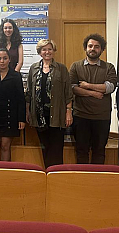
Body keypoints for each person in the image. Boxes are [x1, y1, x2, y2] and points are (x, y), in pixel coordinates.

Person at [69, 33, 118, 164]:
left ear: (102, 49)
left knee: (99, 151)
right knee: (81, 151)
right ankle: (84, 176)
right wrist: (94, 93)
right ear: (85, 48)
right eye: (90, 46)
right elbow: (72, 88)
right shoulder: (76, 66)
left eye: (97, 46)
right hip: (81, 116)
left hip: (102, 117)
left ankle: (97, 176)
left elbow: (110, 87)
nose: (93, 49)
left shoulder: (109, 67)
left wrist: (87, 86)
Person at [25, 39, 73, 167]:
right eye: (44, 49)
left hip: (57, 114)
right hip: (39, 115)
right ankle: (47, 172)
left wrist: (68, 112)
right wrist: (27, 111)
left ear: (53, 51)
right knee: (45, 147)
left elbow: (68, 92)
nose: (47, 52)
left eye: (49, 49)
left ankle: (56, 173)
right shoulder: (34, 68)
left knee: (56, 147)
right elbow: (29, 92)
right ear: (39, 52)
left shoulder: (61, 69)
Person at [0, 48, 26, 161]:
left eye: (5, 58)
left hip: (10, 115)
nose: (2, 61)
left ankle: (5, 169)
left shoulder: (16, 75)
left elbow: (20, 98)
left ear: (9, 59)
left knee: (5, 145)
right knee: (1, 144)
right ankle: (2, 168)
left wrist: (21, 119)